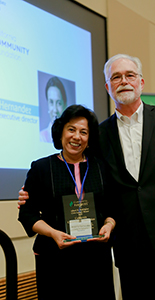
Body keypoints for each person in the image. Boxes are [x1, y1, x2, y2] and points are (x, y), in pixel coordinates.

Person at [19, 54, 155, 300]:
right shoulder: (99, 135)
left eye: (130, 75)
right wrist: (28, 195)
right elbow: (87, 179)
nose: (123, 81)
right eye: (116, 77)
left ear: (141, 82)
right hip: (130, 244)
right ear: (108, 87)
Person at [18, 105, 116, 300]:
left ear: (89, 139)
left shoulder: (100, 167)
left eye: (84, 132)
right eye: (71, 129)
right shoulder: (41, 168)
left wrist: (109, 224)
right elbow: (27, 214)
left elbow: (113, 206)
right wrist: (53, 233)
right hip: (55, 259)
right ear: (61, 132)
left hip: (95, 258)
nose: (77, 137)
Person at [40, 76, 67, 143]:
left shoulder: (72, 137)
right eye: (51, 102)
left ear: (65, 104)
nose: (55, 110)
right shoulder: (42, 137)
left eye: (59, 103)